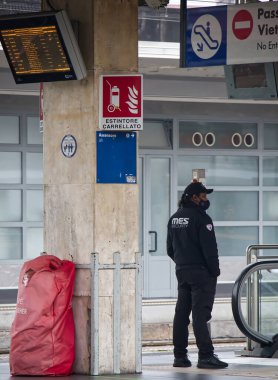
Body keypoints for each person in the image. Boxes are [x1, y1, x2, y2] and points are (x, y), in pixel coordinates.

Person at [166, 180, 228, 369]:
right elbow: (210, 249)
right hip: (201, 273)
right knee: (200, 315)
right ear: (194, 197)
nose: (206, 199)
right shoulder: (202, 219)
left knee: (181, 314)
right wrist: (214, 271)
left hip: (182, 271)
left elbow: (169, 249)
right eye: (203, 195)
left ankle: (180, 356)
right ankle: (206, 356)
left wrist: (183, 262)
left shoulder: (175, 218)